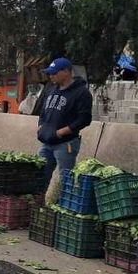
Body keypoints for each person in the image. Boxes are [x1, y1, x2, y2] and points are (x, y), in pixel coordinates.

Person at [37, 57, 93, 189]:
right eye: (50, 73)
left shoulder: (82, 93)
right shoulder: (51, 89)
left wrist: (62, 132)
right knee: (39, 175)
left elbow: (85, 119)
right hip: (46, 142)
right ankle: (38, 199)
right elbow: (43, 111)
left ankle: (63, 201)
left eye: (54, 73)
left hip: (66, 143)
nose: (51, 76)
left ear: (66, 72)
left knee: (66, 179)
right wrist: (41, 126)